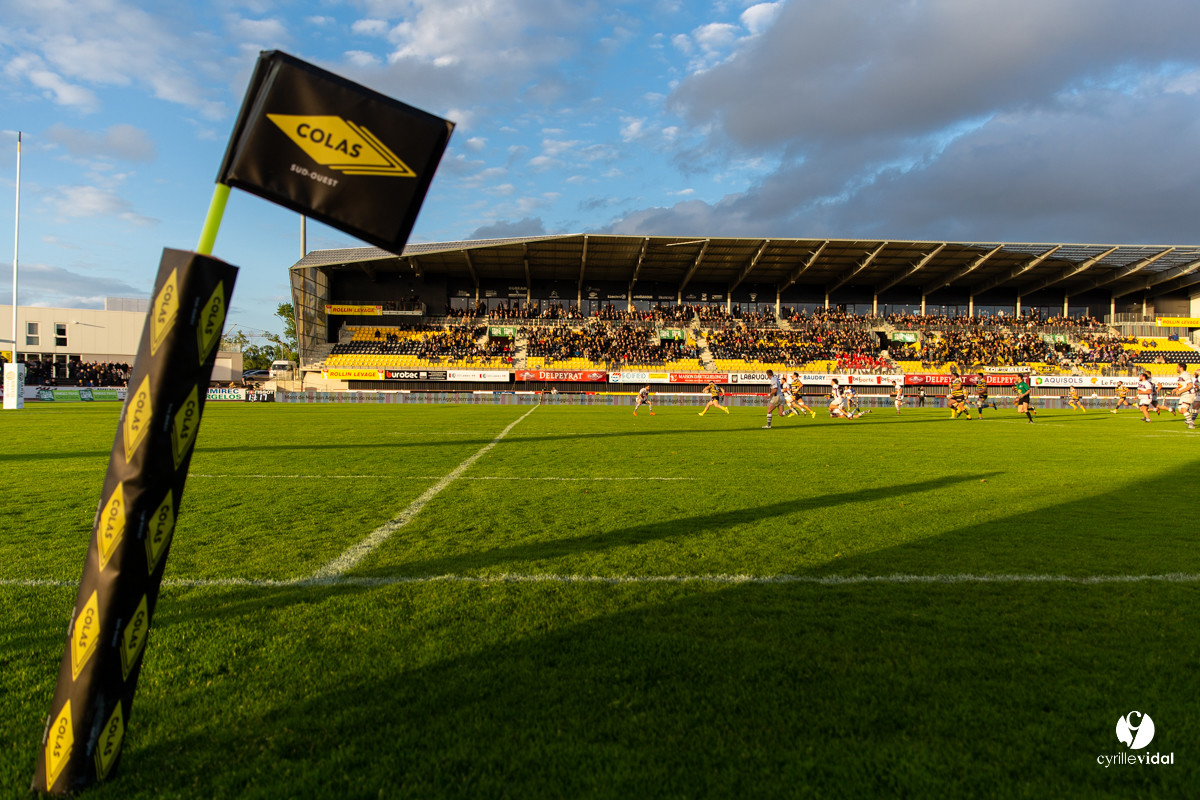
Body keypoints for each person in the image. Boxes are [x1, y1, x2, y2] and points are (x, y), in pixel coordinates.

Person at [1173, 362, 1196, 430]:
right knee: (1180, 410)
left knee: (1183, 409)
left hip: (1188, 394)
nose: (1176, 369)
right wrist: (1177, 389)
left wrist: (1180, 391)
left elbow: (1190, 385)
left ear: (1181, 368)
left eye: (1177, 367)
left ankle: (1191, 423)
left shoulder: (1185, 375)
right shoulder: (1182, 375)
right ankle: (1194, 413)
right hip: (1184, 394)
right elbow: (1183, 385)